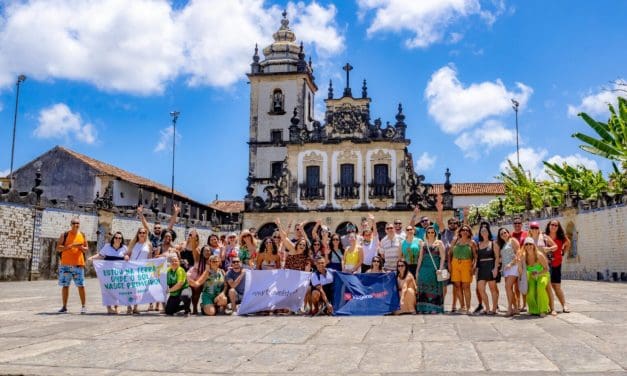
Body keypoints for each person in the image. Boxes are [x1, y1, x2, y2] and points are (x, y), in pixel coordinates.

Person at [88, 231, 128, 314]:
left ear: (122, 239)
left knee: (118, 289)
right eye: (116, 237)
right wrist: (92, 257)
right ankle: (109, 308)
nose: (118, 239)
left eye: (120, 238)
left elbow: (128, 256)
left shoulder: (124, 248)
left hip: (119, 273)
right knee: (107, 290)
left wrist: (127, 256)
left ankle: (116, 307)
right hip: (108, 273)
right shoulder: (107, 247)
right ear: (113, 239)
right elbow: (101, 255)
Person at [56, 218, 88, 314]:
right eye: (74, 223)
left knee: (81, 286)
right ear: (71, 224)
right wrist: (69, 246)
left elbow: (86, 249)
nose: (76, 225)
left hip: (78, 265)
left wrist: (81, 247)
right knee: (65, 286)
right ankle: (64, 307)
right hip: (66, 265)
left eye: (77, 223)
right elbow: (58, 248)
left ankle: (83, 307)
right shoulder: (65, 235)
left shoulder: (82, 235)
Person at [528, 221, 558, 315]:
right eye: (532, 228)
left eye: (536, 228)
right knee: (536, 289)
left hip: (544, 266)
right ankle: (540, 308)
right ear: (530, 229)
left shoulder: (544, 237)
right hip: (533, 267)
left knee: (548, 287)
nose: (534, 230)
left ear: (538, 229)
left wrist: (548, 249)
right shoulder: (529, 239)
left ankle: (552, 308)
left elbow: (555, 246)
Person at [416, 226, 446, 314]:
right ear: (426, 234)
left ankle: (435, 308)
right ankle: (423, 308)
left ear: (435, 233)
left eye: (432, 232)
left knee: (435, 287)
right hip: (424, 268)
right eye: (428, 232)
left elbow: (443, 257)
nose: (430, 234)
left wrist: (440, 269)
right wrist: (417, 271)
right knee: (423, 287)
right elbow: (420, 258)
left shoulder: (439, 243)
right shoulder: (423, 244)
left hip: (435, 269)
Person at [450, 224, 477, 314]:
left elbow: (475, 256)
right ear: (460, 231)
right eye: (463, 230)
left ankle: (468, 307)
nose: (465, 231)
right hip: (455, 264)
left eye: (467, 230)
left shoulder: (472, 242)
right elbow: (449, 253)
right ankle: (462, 306)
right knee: (457, 286)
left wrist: (473, 266)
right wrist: (450, 265)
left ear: (469, 232)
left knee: (466, 286)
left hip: (467, 264)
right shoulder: (455, 240)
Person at [545, 219, 571, 313]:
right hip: (546, 265)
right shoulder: (544, 236)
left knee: (557, 286)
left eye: (556, 225)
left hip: (557, 264)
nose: (554, 227)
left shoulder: (561, 236)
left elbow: (568, 243)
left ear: (558, 227)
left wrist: (563, 251)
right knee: (548, 286)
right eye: (552, 225)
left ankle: (564, 305)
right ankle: (549, 307)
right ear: (549, 225)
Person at [125, 227, 153, 314]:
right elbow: (128, 253)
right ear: (138, 233)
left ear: (146, 234)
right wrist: (126, 256)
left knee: (139, 288)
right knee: (130, 288)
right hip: (132, 268)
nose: (142, 234)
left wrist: (150, 270)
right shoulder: (133, 243)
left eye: (144, 232)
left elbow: (150, 258)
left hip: (142, 269)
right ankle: (129, 307)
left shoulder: (149, 245)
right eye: (140, 232)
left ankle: (135, 307)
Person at [495, 227, 521, 317]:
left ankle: (510, 308)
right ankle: (516, 308)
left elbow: (518, 252)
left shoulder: (512, 240)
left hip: (514, 266)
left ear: (508, 233)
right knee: (509, 288)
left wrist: (511, 263)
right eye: (501, 234)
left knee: (507, 286)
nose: (503, 234)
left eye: (504, 232)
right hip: (506, 269)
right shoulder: (503, 244)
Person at [522, 237, 550, 317]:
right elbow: (521, 268)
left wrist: (538, 273)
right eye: (526, 244)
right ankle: (533, 310)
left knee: (540, 287)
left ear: (533, 245)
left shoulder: (539, 255)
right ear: (524, 246)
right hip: (532, 276)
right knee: (530, 292)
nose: (528, 246)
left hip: (543, 275)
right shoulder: (524, 256)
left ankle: (543, 310)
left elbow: (547, 269)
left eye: (530, 244)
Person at [476, 225, 500, 315]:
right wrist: (476, 270)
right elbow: (477, 259)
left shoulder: (493, 243)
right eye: (482, 231)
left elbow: (497, 257)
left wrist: (495, 269)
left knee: (493, 289)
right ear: (480, 233)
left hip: (491, 266)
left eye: (485, 231)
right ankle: (487, 308)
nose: (483, 232)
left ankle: (494, 309)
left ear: (488, 232)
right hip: (481, 268)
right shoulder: (478, 244)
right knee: (480, 288)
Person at [440, 217, 459, 312]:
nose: (452, 224)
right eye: (450, 223)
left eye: (454, 223)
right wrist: (439, 209)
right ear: (448, 224)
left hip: (455, 263)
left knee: (456, 285)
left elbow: (466, 226)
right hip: (444, 263)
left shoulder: (459, 234)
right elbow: (439, 220)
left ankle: (454, 305)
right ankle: (441, 304)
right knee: (443, 285)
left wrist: (466, 216)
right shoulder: (444, 232)